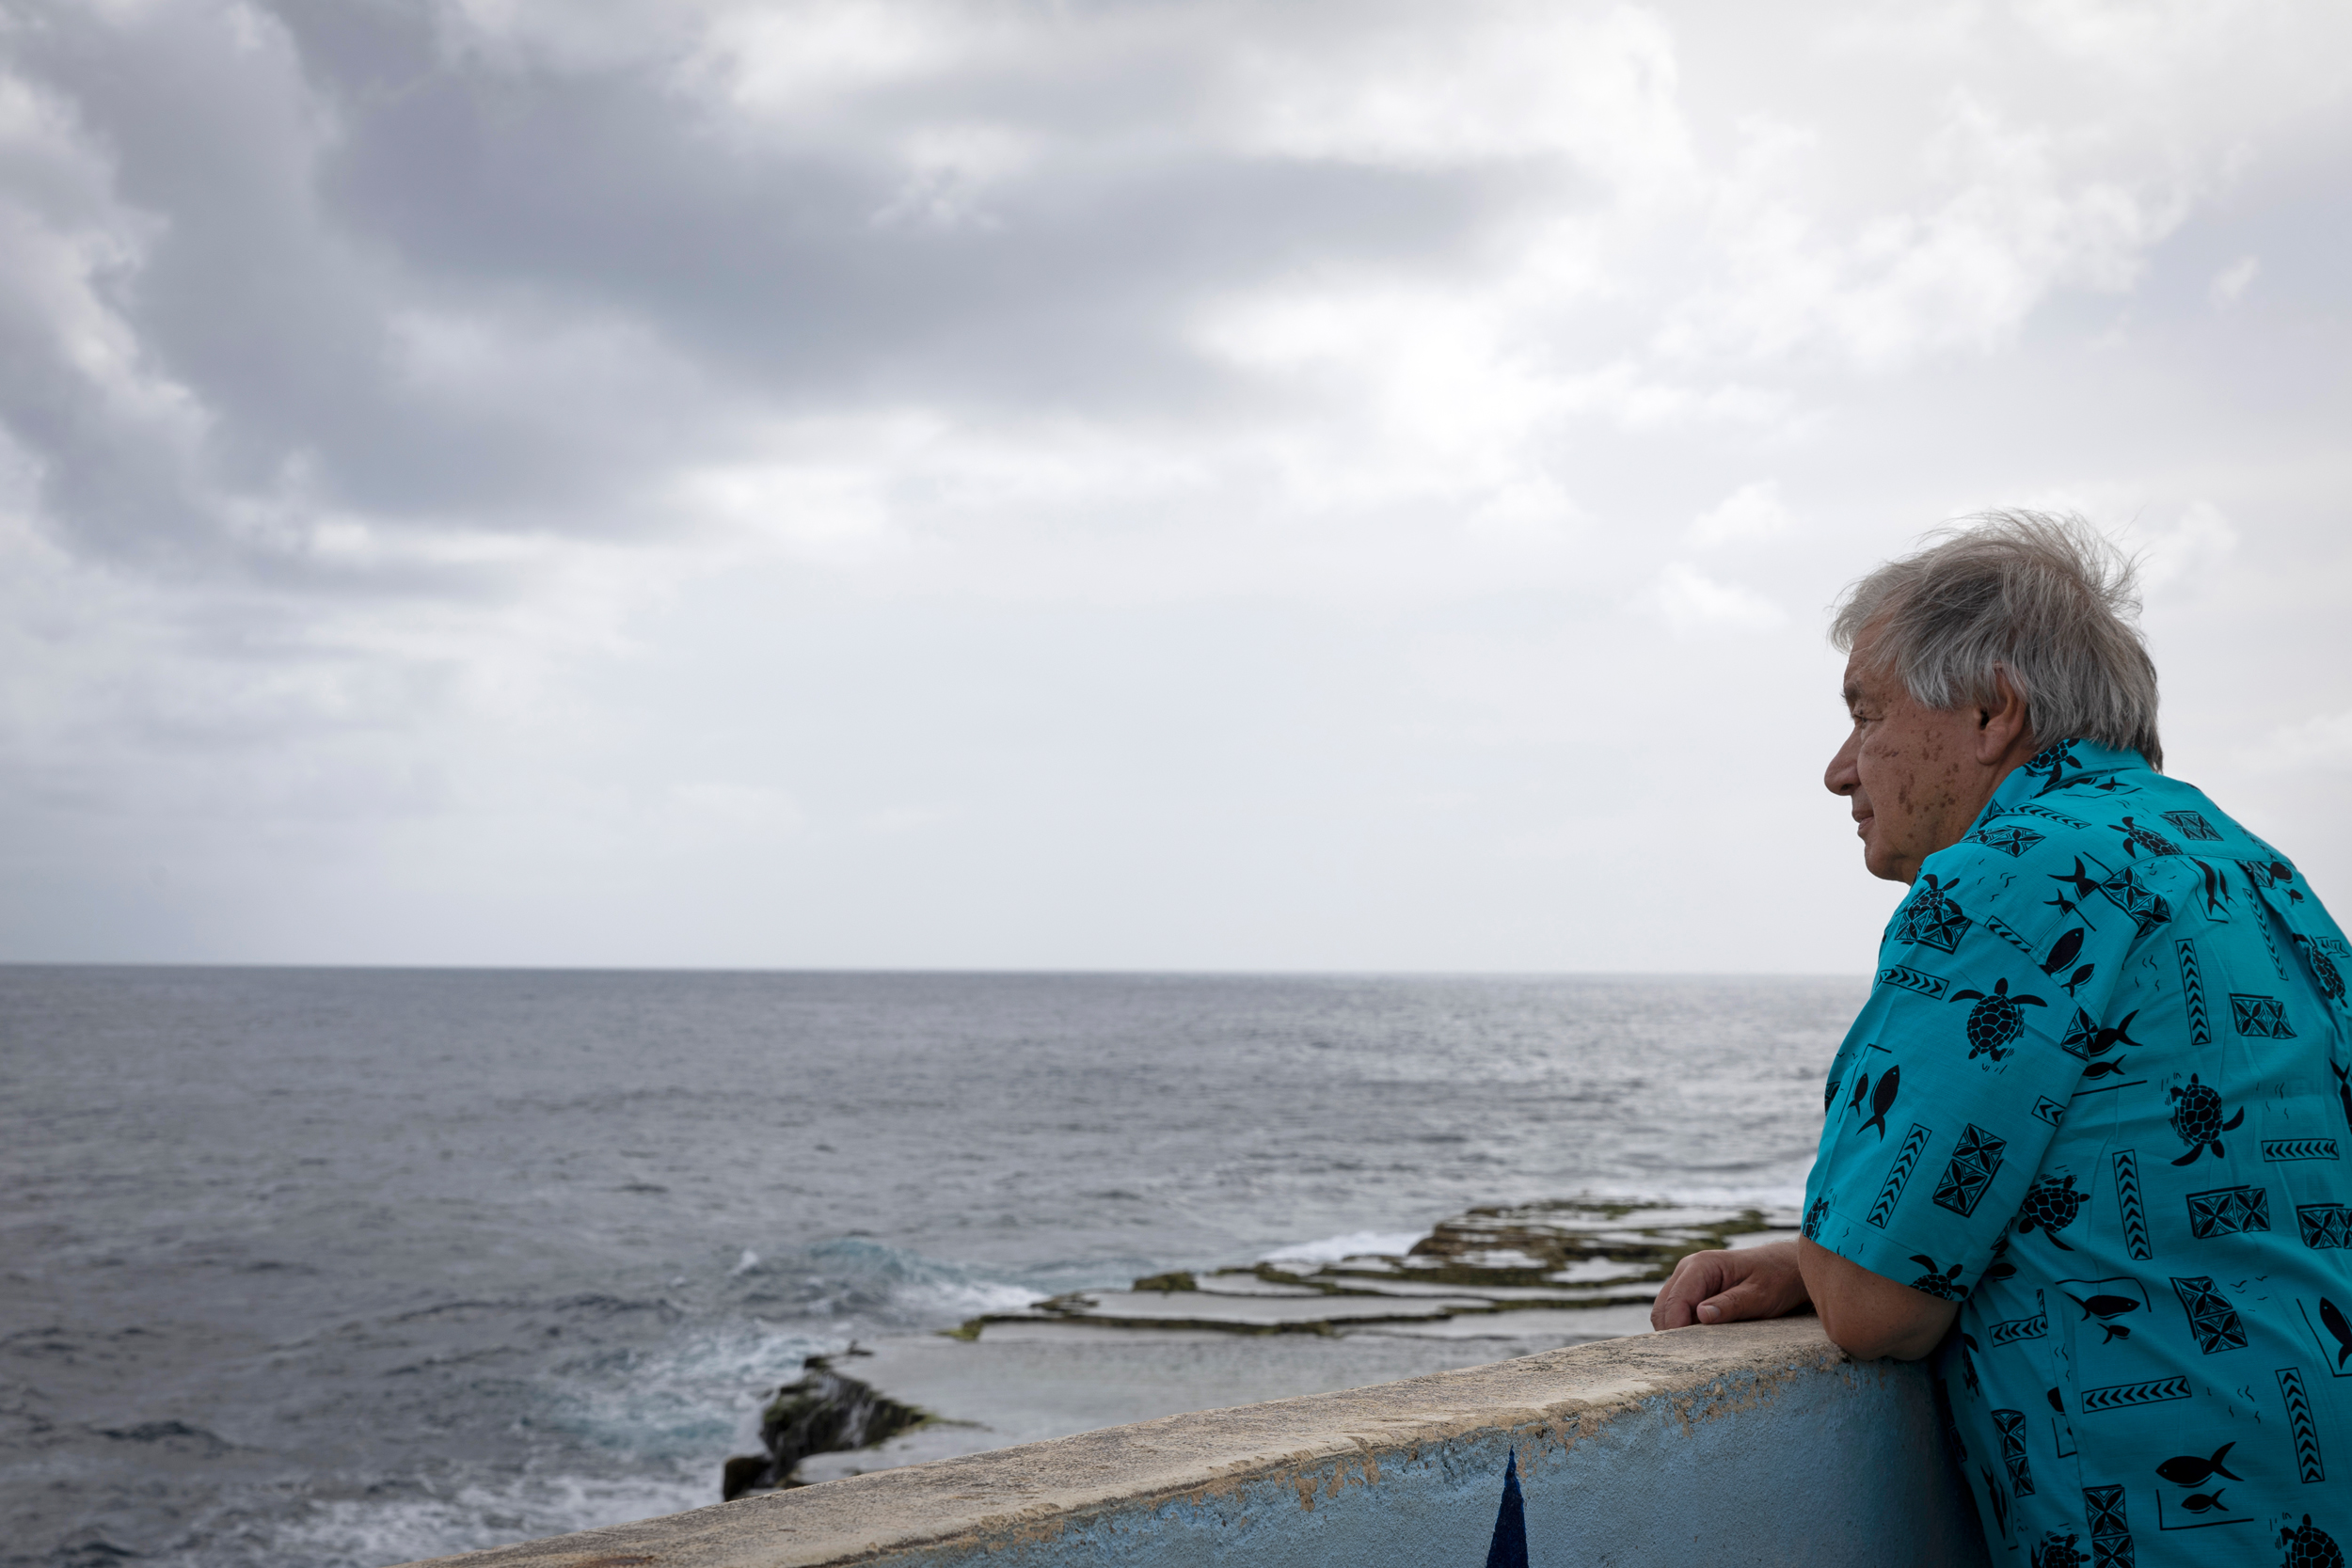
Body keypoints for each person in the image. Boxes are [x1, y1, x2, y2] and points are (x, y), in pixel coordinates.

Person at [1652, 513, 2351, 1566]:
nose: (1841, 770)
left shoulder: (2009, 875)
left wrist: (1832, 1260)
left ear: (1991, 711)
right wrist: (1813, 1256)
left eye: (1865, 714)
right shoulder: (2250, 869)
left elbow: (1875, 1306)